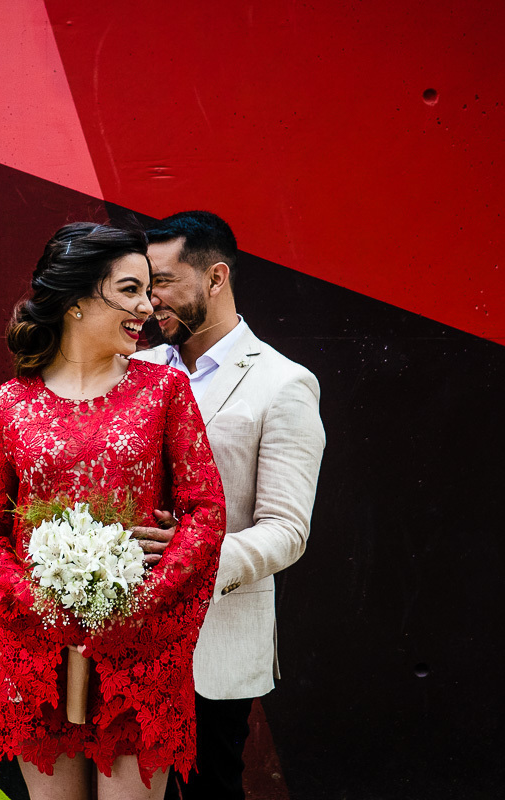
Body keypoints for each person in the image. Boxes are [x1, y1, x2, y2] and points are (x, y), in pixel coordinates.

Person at [0, 222, 227, 800]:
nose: (147, 306)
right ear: (79, 300)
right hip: (38, 654)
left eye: (149, 290)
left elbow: (206, 514)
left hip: (138, 653)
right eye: (130, 290)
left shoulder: (164, 391)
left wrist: (140, 603)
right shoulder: (8, 404)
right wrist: (39, 606)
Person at [131, 211, 325, 800]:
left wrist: (193, 556)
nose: (147, 301)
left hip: (211, 642)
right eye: (140, 283)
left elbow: (287, 530)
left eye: (161, 282)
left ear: (216, 278)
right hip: (122, 633)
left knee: (209, 789)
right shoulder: (129, 371)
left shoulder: (283, 384)